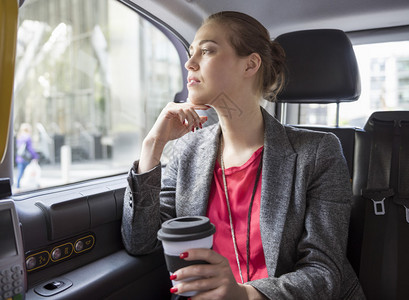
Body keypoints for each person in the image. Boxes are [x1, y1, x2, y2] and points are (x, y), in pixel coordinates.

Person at [122, 11, 365, 300]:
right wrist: (153, 145)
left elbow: (324, 274)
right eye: (190, 53)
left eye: (207, 50)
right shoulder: (187, 151)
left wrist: (244, 294)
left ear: (250, 64)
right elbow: (141, 241)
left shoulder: (317, 152)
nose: (189, 63)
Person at [15, 123, 39, 189]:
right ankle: (36, 183)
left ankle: (17, 185)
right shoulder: (28, 137)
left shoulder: (19, 137)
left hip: (20, 158)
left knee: (20, 172)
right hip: (26, 158)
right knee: (32, 170)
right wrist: (35, 156)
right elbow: (30, 149)